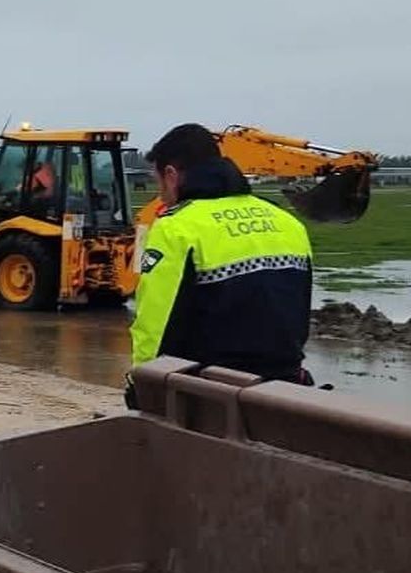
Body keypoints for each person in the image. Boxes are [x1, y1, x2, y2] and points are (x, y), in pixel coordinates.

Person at [126, 123, 314, 408]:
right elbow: (298, 313)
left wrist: (143, 384)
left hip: (212, 393)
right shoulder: (286, 222)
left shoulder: (177, 229)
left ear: (171, 175)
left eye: (158, 183)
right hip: (284, 388)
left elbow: (155, 325)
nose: (160, 193)